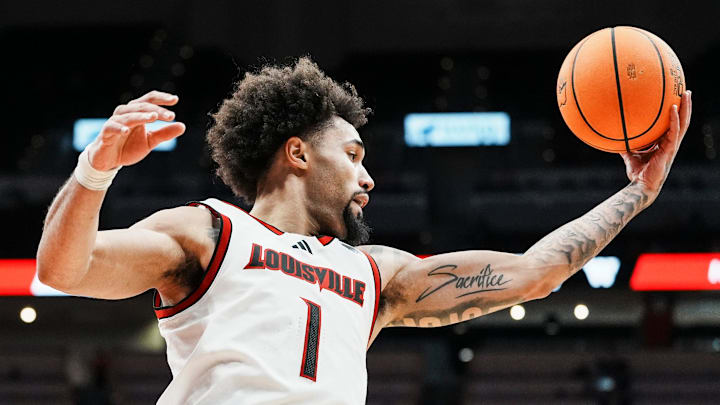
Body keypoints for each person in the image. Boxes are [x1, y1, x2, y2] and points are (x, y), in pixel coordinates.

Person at [36, 57, 692, 404]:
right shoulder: (208, 233)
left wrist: (639, 192)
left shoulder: (376, 274)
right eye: (353, 154)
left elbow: (534, 272)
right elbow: (64, 269)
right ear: (296, 152)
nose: (368, 177)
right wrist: (94, 170)